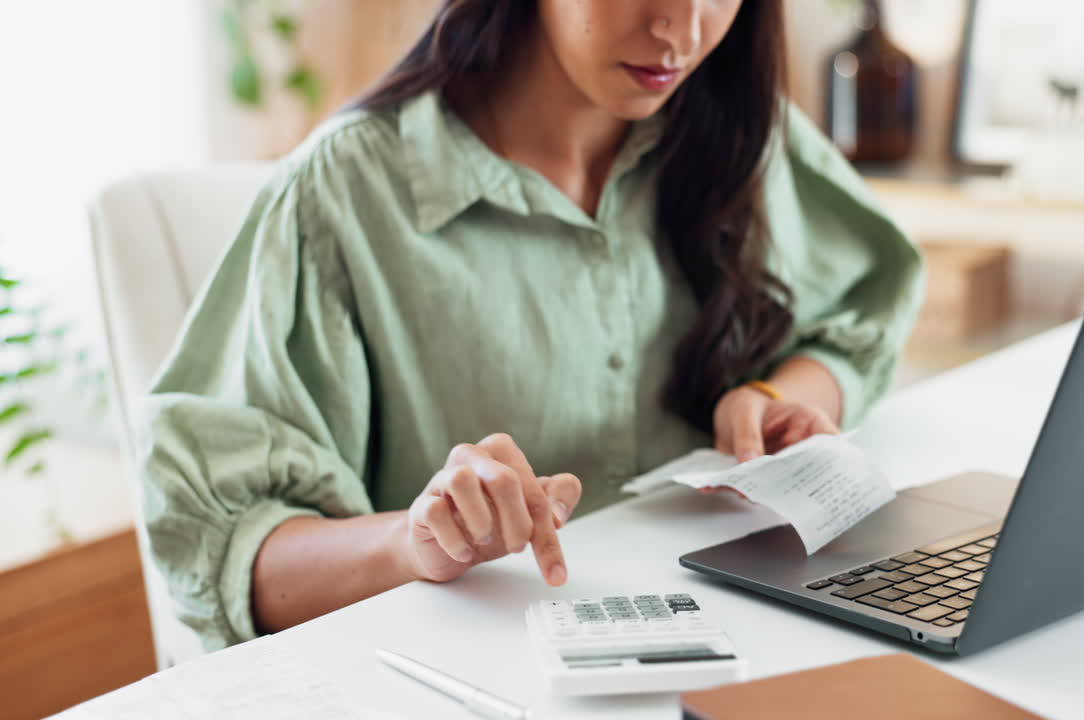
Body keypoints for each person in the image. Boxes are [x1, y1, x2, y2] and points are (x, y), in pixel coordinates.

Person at [141, 0, 923, 651]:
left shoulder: (741, 132)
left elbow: (863, 311)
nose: (681, 30)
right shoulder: (341, 197)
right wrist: (418, 541)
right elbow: (224, 551)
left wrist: (772, 395)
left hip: (732, 657)